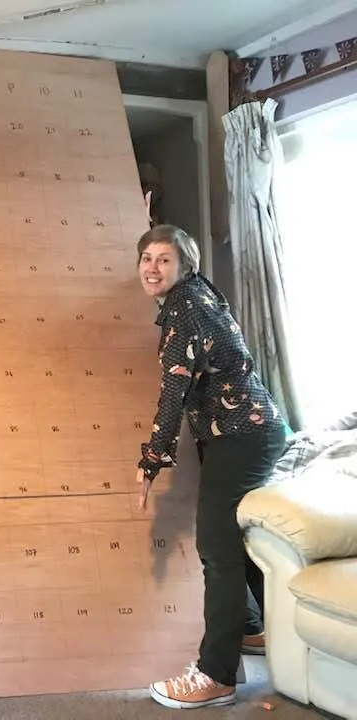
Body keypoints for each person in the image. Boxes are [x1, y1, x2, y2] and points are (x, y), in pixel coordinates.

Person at [134, 225, 287, 709]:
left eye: (164, 260)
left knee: (216, 548)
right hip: (248, 431)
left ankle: (215, 675)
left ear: (185, 267)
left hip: (240, 436)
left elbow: (173, 395)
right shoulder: (198, 295)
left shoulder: (185, 314)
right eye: (146, 258)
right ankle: (257, 628)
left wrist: (151, 460)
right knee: (233, 540)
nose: (152, 268)